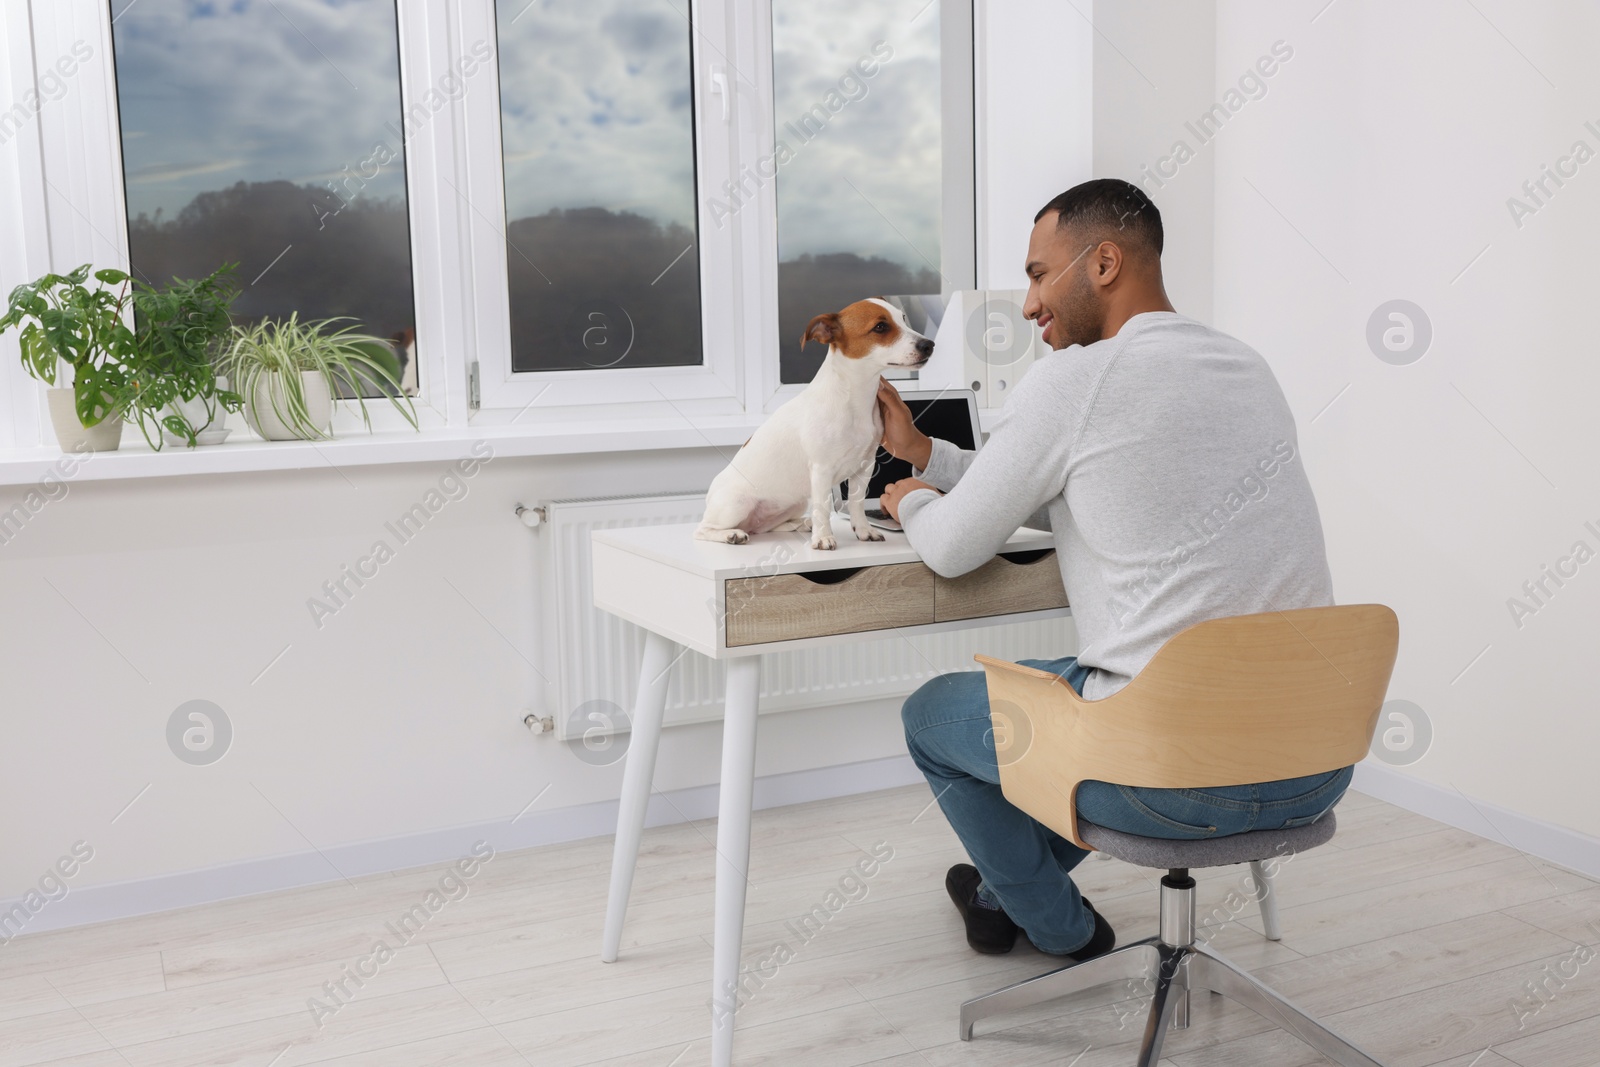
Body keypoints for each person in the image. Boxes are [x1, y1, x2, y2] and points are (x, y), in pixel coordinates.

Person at [875, 178, 1345, 959]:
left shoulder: (1074, 380)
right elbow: (1092, 489)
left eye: (1035, 273)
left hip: (1170, 778)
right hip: (1313, 759)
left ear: (1102, 263)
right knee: (1063, 683)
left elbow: (955, 547)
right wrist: (935, 458)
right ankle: (1000, 895)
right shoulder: (1245, 367)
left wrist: (912, 501)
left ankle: (1062, 928)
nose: (1027, 305)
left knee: (932, 715)